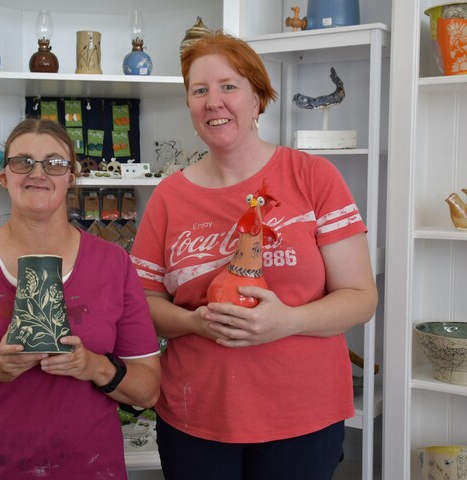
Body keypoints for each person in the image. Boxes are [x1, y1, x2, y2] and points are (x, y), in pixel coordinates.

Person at [130, 32, 378, 480]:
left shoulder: (313, 176)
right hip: (195, 415)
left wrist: (288, 321)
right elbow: (143, 303)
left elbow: (361, 298)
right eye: (199, 90)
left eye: (229, 86)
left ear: (258, 98)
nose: (213, 102)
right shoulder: (169, 196)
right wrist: (193, 323)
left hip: (303, 416)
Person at [0, 118, 161, 479]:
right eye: (22, 161)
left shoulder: (113, 263)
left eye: (54, 163)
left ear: (71, 177)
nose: (37, 173)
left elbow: (148, 390)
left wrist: (93, 366)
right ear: (4, 177)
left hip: (86, 468)